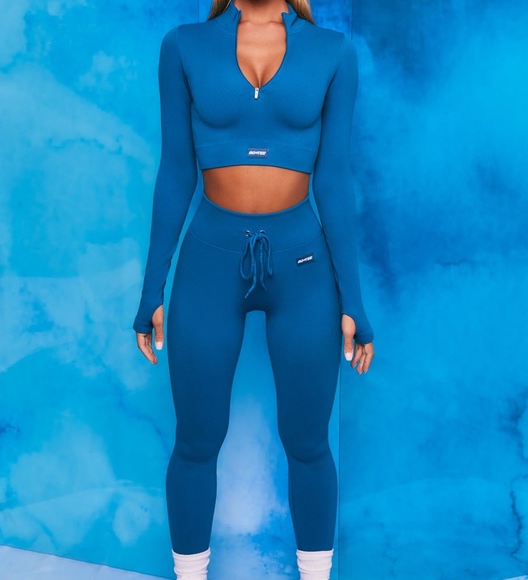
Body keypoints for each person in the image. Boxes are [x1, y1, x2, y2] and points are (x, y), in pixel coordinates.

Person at [133, 0, 375, 578]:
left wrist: (354, 302)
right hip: (209, 260)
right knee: (196, 440)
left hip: (304, 262)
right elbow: (175, 171)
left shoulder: (333, 52)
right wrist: (152, 290)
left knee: (308, 442)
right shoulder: (183, 46)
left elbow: (334, 180)